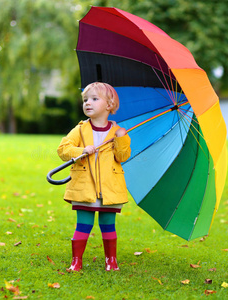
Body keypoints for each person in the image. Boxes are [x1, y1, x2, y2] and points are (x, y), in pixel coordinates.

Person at [57, 82, 131, 271]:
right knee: (83, 223)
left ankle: (111, 261)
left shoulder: (117, 132)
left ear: (109, 105)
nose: (88, 103)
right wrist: (81, 150)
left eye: (94, 99)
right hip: (85, 186)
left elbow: (122, 157)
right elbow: (63, 149)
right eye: (85, 99)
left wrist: (122, 138)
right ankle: (76, 261)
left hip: (109, 187)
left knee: (108, 224)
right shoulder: (80, 129)